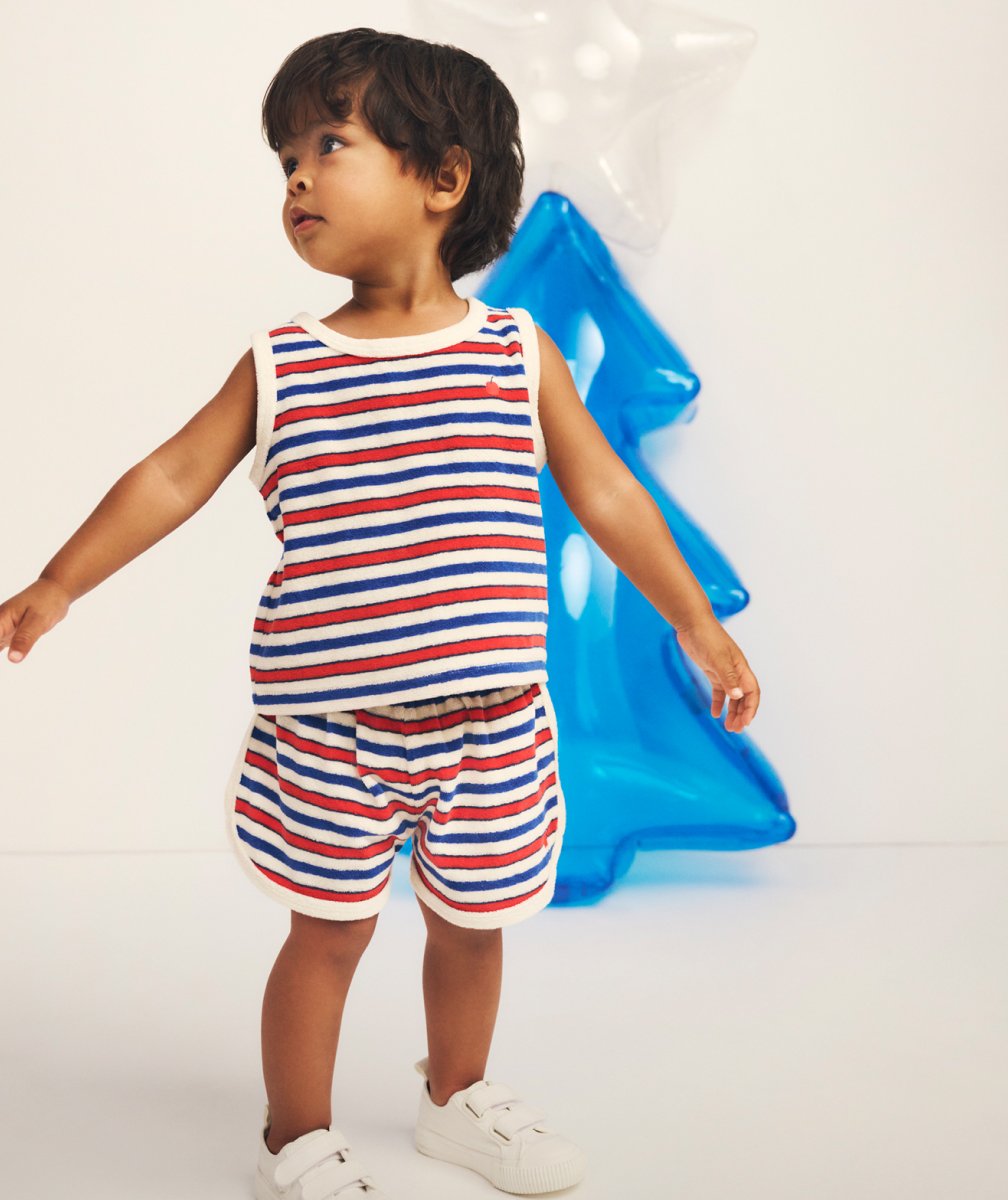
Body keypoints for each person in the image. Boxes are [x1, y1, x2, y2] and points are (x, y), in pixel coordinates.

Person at [0, 26, 760, 1200]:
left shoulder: (514, 353)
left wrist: (694, 624)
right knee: (329, 931)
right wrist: (60, 581)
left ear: (443, 177)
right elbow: (173, 474)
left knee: (474, 923)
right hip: (330, 732)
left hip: (493, 725)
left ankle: (457, 1100)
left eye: (328, 144)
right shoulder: (284, 364)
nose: (296, 178)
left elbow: (607, 490)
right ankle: (295, 1133)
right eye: (285, 160)